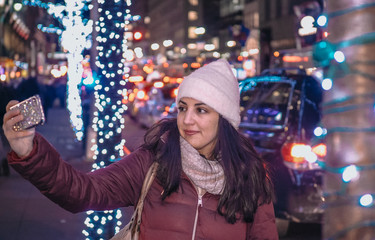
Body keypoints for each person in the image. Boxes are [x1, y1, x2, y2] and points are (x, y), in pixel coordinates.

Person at [2, 59, 278, 239]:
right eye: (183, 108)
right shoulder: (153, 162)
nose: (187, 119)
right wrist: (31, 152)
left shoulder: (250, 178)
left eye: (201, 110)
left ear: (225, 119)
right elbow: (81, 191)